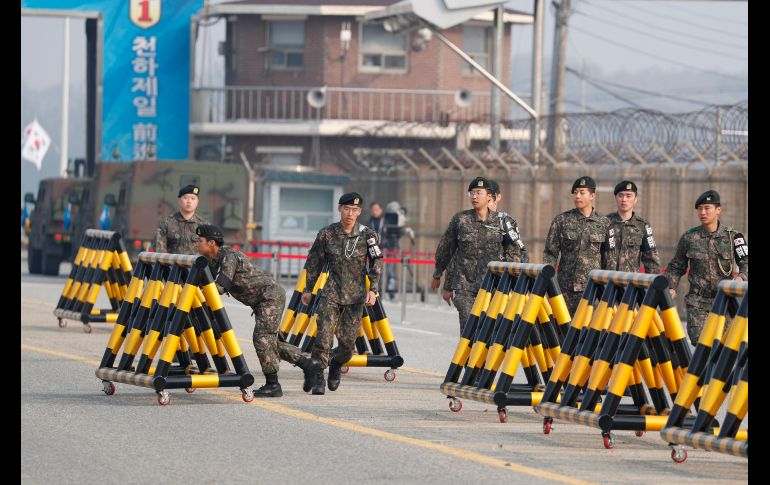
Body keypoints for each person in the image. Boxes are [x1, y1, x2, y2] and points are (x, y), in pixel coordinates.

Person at [195, 224, 321, 397]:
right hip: (262, 301)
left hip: (270, 297)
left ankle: (273, 385)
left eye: (199, 240)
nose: (196, 244)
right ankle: (309, 365)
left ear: (211, 243)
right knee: (271, 342)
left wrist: (198, 295)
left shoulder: (228, 256)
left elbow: (221, 285)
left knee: (262, 339)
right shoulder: (213, 260)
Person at [300, 193, 383, 394]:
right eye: (346, 209)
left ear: (359, 212)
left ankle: (336, 364)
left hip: (355, 297)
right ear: (339, 209)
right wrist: (308, 290)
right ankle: (319, 376)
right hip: (331, 292)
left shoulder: (368, 235)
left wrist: (373, 289)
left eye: (354, 210)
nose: (350, 213)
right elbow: (314, 263)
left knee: (347, 344)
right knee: (323, 337)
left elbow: (376, 262)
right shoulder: (327, 234)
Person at [431, 176, 526, 332]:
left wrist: (513, 285)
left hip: (495, 288)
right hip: (466, 287)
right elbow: (447, 249)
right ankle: (467, 357)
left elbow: (514, 253)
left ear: (490, 196)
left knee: (491, 332)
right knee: (469, 329)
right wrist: (438, 275)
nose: (474, 196)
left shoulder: (504, 222)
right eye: (471, 193)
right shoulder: (461, 220)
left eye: (478, 193)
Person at [665, 190, 748, 344]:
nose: (703, 212)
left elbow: (746, 263)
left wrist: (741, 277)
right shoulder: (689, 237)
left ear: (718, 210)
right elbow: (676, 266)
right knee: (703, 345)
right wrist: (671, 286)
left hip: (725, 302)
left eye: (707, 208)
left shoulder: (734, 237)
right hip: (698, 303)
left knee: (725, 349)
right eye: (700, 209)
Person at [542, 175, 617, 316]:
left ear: (592, 195)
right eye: (575, 192)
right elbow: (550, 253)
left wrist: (608, 288)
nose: (577, 196)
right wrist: (549, 282)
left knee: (590, 332)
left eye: (582, 192)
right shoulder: (562, 220)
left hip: (593, 289)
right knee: (562, 331)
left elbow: (610, 258)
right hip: (565, 289)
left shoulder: (605, 223)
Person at [606, 180, 661, 274]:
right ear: (616, 198)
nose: (624, 199)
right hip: (606, 284)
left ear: (635, 199)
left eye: (628, 196)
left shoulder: (642, 225)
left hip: (630, 284)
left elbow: (651, 259)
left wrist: (652, 286)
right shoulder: (605, 223)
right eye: (620, 195)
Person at [154, 184, 208, 255]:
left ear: (197, 202)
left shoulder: (204, 225)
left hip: (195, 265)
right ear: (179, 200)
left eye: (193, 198)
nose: (189, 201)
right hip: (172, 265)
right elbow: (159, 251)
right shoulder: (167, 223)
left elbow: (209, 252)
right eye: (185, 198)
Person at [488, 179, 529, 263]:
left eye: (490, 197)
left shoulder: (504, 222)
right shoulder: (465, 220)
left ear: (498, 197)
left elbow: (518, 253)